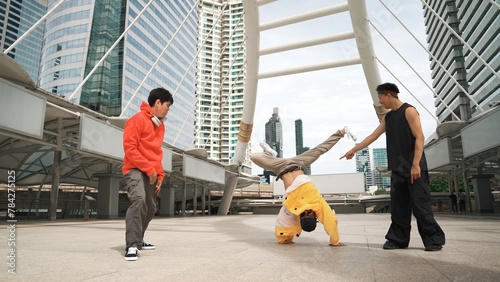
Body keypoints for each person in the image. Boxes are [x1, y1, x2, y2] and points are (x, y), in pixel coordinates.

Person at [341, 82, 445, 252]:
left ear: (389, 95)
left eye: (381, 98)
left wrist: (416, 164)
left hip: (415, 168)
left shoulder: (409, 110)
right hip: (397, 170)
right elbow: (373, 135)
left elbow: (420, 137)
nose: (380, 101)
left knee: (421, 207)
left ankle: (434, 241)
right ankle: (397, 240)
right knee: (399, 208)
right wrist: (353, 149)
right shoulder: (388, 118)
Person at [251, 127, 357, 246]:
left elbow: (283, 223)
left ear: (300, 219)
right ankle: (341, 132)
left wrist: (286, 239)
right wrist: (335, 242)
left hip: (280, 168)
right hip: (299, 163)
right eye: (310, 216)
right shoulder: (318, 203)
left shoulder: (291, 209)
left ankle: (269, 154)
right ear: (315, 217)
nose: (307, 213)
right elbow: (331, 221)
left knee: (254, 157)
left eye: (305, 216)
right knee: (320, 149)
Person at [120, 88, 173, 261]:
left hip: (151, 171)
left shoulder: (160, 126)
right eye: (167, 105)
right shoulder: (136, 120)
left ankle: (139, 239)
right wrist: (150, 170)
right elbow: (130, 149)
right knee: (139, 199)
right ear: (157, 102)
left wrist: (160, 174)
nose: (168, 110)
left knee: (151, 207)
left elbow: (156, 153)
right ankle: (132, 245)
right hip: (134, 168)